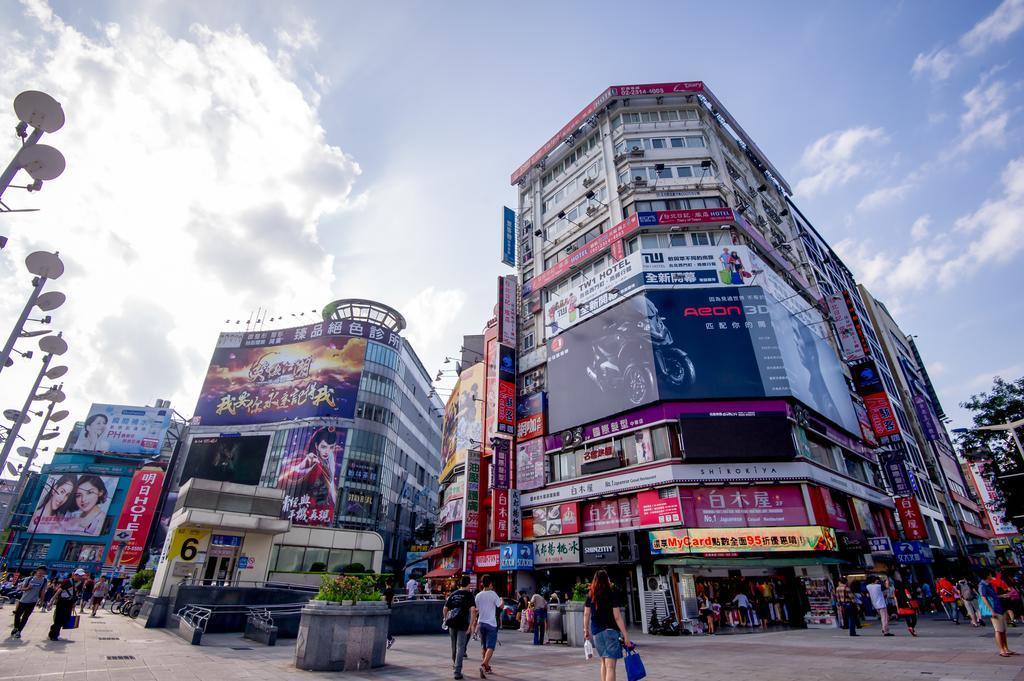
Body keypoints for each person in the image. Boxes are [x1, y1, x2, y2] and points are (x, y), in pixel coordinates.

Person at [583, 570, 632, 681]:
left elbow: (586, 614)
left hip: (597, 633)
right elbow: (617, 617)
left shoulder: (591, 595)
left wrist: (585, 630)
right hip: (611, 632)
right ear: (607, 580)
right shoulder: (612, 594)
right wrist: (626, 635)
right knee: (611, 667)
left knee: (603, 663)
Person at [443, 576, 475, 680]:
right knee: (461, 647)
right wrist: (471, 625)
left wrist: (445, 618)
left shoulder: (453, 594)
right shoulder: (469, 595)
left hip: (452, 623)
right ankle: (457, 671)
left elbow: (445, 608)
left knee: (454, 646)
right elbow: (473, 610)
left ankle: (455, 664)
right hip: (462, 624)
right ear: (468, 584)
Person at [471, 575, 503, 679]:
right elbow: (500, 606)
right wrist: (502, 600)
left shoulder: (478, 595)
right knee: (491, 647)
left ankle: (487, 667)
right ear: (490, 584)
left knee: (484, 646)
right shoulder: (493, 594)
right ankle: (484, 664)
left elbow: (476, 610)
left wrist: (473, 624)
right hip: (491, 624)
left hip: (481, 623)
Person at [979, 570, 1016, 657]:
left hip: (1000, 608)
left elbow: (993, 596)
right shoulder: (982, 586)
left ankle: (1006, 649)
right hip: (994, 610)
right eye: (990, 574)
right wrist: (992, 611)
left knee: (1003, 630)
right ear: (987, 575)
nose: (992, 575)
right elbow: (984, 599)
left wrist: (1002, 596)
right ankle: (1001, 650)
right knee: (998, 630)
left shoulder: (989, 584)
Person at [10, 566, 48, 638]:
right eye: (39, 571)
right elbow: (21, 589)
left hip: (32, 602)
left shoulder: (44, 581)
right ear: (36, 571)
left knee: (25, 617)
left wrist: (41, 601)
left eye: (43, 572)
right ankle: (16, 627)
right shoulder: (29, 579)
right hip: (23, 600)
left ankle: (19, 631)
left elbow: (43, 591)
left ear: (44, 573)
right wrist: (27, 588)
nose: (40, 573)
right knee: (17, 615)